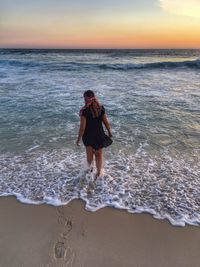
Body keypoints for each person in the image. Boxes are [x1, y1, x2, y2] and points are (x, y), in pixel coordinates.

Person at [76, 90, 112, 179]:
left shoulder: (84, 110)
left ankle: (90, 171)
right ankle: (99, 173)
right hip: (99, 135)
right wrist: (109, 132)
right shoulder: (100, 108)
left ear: (85, 98)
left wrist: (78, 139)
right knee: (99, 155)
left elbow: (82, 128)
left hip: (88, 136)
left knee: (89, 156)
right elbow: (106, 122)